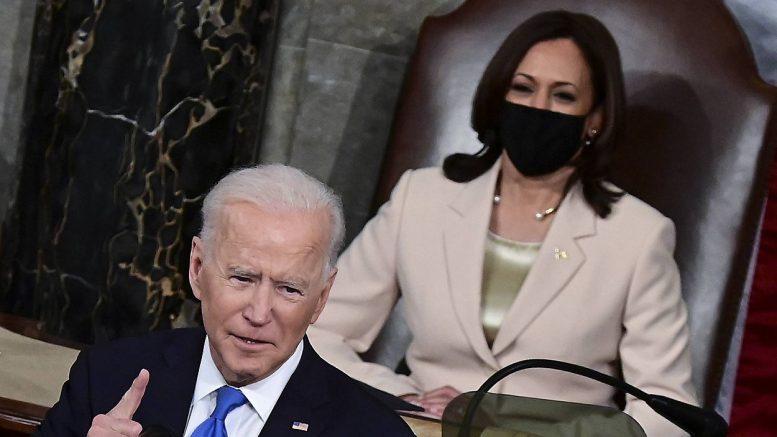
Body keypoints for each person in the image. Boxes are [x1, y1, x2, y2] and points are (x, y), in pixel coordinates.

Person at [307, 10, 697, 436]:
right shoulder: (420, 198)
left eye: (563, 96)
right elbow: (317, 332)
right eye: (523, 88)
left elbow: (669, 411)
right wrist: (403, 398)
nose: (538, 109)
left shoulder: (638, 235)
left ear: (595, 119)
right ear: (499, 97)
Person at [36, 164, 414, 436]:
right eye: (242, 278)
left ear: (322, 298)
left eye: (289, 289)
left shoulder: (373, 431)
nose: (259, 312)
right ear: (197, 268)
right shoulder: (106, 378)